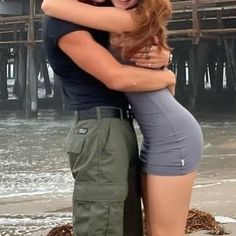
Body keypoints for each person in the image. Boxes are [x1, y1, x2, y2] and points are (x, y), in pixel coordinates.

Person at [42, 0, 204, 235]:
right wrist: (168, 77)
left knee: (145, 229)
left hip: (162, 135)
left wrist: (165, 60)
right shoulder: (74, 21)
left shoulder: (123, 14)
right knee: (116, 225)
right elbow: (116, 77)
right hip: (110, 130)